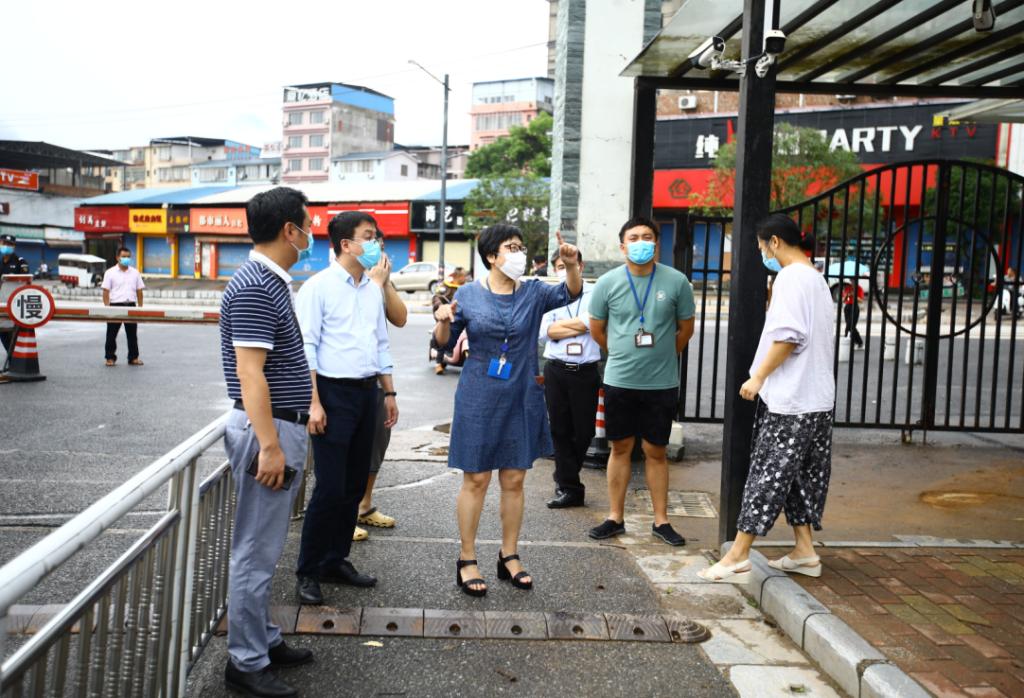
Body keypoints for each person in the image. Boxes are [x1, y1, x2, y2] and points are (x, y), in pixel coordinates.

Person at [434, 224, 582, 596]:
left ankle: (509, 554)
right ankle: (467, 558)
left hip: (522, 394)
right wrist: (442, 320)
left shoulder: (533, 291)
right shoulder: (467, 293)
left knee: (514, 480)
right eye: (510, 247)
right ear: (491, 256)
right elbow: (444, 344)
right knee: (476, 479)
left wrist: (571, 265)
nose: (519, 253)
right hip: (478, 396)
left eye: (520, 247)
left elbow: (571, 291)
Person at [699, 214, 835, 583]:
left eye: (762, 247)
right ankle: (805, 551)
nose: (764, 255)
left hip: (792, 401)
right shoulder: (816, 278)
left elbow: (789, 336)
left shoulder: (791, 278)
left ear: (774, 242)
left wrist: (758, 376)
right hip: (817, 399)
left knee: (767, 475)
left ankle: (738, 555)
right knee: (797, 477)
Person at [219, 186, 315, 697]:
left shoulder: (271, 281)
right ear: (288, 230)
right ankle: (246, 661)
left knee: (265, 547)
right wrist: (270, 446)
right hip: (269, 429)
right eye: (307, 224)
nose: (311, 233)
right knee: (255, 552)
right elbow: (250, 373)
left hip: (279, 425)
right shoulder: (257, 285)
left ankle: (263, 638)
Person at [294, 211, 399, 606]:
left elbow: (381, 343)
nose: (375, 243)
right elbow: (306, 347)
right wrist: (314, 402)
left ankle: (335, 560)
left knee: (354, 485)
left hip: (367, 393)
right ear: (345, 244)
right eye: (368, 236)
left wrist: (389, 393)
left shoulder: (372, 289)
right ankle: (308, 570)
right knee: (330, 487)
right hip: (331, 394)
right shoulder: (317, 288)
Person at [587, 217, 695, 547]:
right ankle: (614, 517)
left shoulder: (676, 281)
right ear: (623, 246)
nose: (641, 242)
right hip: (620, 380)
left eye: (647, 237)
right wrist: (621, 352)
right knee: (620, 448)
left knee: (656, 450)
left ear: (656, 244)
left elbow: (686, 329)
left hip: (661, 383)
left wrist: (664, 356)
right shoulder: (607, 283)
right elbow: (597, 329)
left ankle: (661, 520)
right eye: (633, 238)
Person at [354, 231, 409, 542]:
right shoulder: (342, 283)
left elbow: (400, 318)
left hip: (377, 378)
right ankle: (343, 513)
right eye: (372, 242)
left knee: (377, 442)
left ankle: (364, 505)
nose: (379, 250)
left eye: (382, 245)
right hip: (346, 380)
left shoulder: (380, 281)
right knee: (346, 451)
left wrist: (385, 282)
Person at [539, 250, 601, 509]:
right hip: (556, 370)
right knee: (559, 429)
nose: (563, 270)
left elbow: (594, 324)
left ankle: (564, 477)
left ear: (580, 266)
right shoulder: (549, 296)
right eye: (559, 266)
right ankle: (569, 487)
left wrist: (563, 327)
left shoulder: (595, 293)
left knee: (584, 431)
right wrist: (580, 325)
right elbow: (544, 332)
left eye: (567, 265)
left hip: (585, 371)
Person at [101, 247, 146, 367]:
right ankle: (110, 358)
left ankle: (133, 357)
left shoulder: (135, 273)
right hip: (115, 305)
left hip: (131, 305)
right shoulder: (110, 273)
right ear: (117, 257)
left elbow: (139, 291)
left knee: (132, 334)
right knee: (111, 334)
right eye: (124, 256)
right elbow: (105, 291)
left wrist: (140, 307)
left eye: (128, 257)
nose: (126, 259)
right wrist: (107, 308)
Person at [430, 267, 468, 375]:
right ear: (457, 276)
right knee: (443, 338)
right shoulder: (446, 286)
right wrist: (442, 308)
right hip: (446, 316)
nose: (465, 278)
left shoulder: (468, 288)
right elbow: (436, 297)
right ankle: (438, 362)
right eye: (463, 276)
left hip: (461, 317)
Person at [0, 234, 29, 356]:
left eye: (10, 244)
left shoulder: (20, 262)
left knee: (13, 332)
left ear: (14, 246)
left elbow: (26, 282)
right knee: (2, 331)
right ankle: (11, 357)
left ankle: (15, 359)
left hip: (15, 303)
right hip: (1, 303)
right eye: (4, 243)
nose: (6, 246)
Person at [840, 281, 864, 348]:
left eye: (853, 280)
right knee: (850, 325)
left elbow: (861, 300)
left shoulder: (859, 288)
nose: (852, 282)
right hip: (847, 307)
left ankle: (846, 339)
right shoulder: (847, 288)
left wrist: (854, 295)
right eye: (851, 280)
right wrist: (847, 295)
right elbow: (843, 300)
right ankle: (858, 342)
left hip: (855, 307)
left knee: (850, 325)